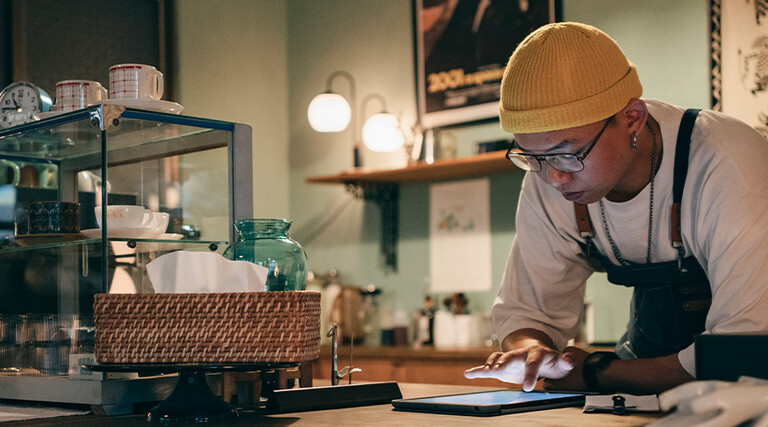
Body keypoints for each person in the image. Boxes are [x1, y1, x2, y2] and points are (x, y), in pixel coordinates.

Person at [463, 22, 768, 395]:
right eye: (532, 157)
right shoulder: (549, 175)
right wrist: (534, 352)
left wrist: (596, 372)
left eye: (568, 153)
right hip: (644, 366)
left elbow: (740, 353)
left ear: (631, 118)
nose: (555, 178)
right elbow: (529, 313)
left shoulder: (727, 163)